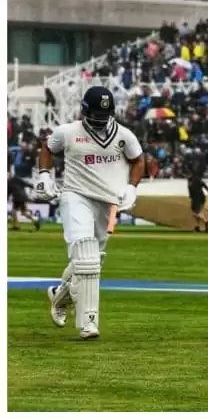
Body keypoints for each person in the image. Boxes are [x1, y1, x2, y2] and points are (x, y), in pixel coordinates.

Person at [33, 86, 145, 340]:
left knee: (94, 260)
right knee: (85, 253)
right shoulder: (68, 132)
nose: (99, 122)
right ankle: (88, 322)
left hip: (107, 201)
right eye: (94, 116)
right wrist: (43, 176)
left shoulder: (124, 136)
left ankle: (59, 295)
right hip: (75, 195)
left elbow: (139, 160)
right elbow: (47, 148)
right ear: (84, 111)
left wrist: (132, 187)